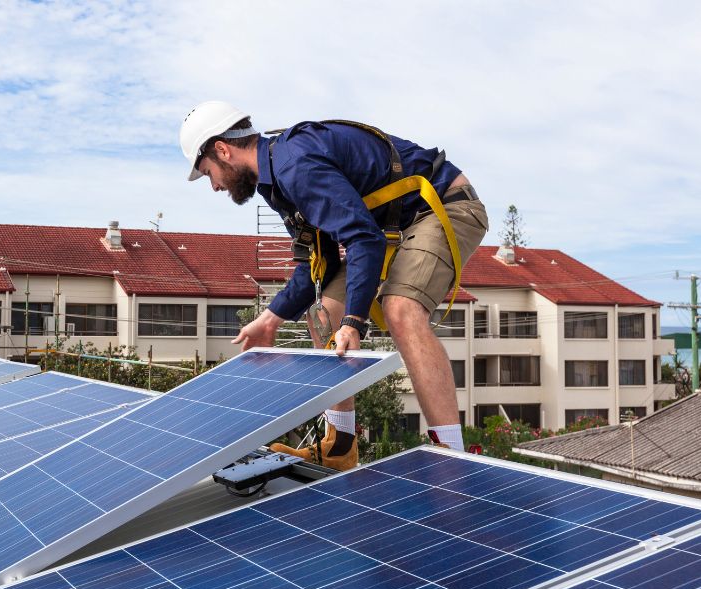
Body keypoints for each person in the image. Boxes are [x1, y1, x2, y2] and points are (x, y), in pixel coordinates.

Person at [179, 101, 488, 469]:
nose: (214, 185)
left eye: (208, 172)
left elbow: (363, 239)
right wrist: (271, 319)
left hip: (443, 205)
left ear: (223, 150)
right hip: (390, 227)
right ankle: (340, 447)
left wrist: (354, 322)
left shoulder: (295, 164)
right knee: (325, 313)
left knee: (400, 309)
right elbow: (318, 264)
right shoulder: (276, 181)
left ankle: (451, 458)